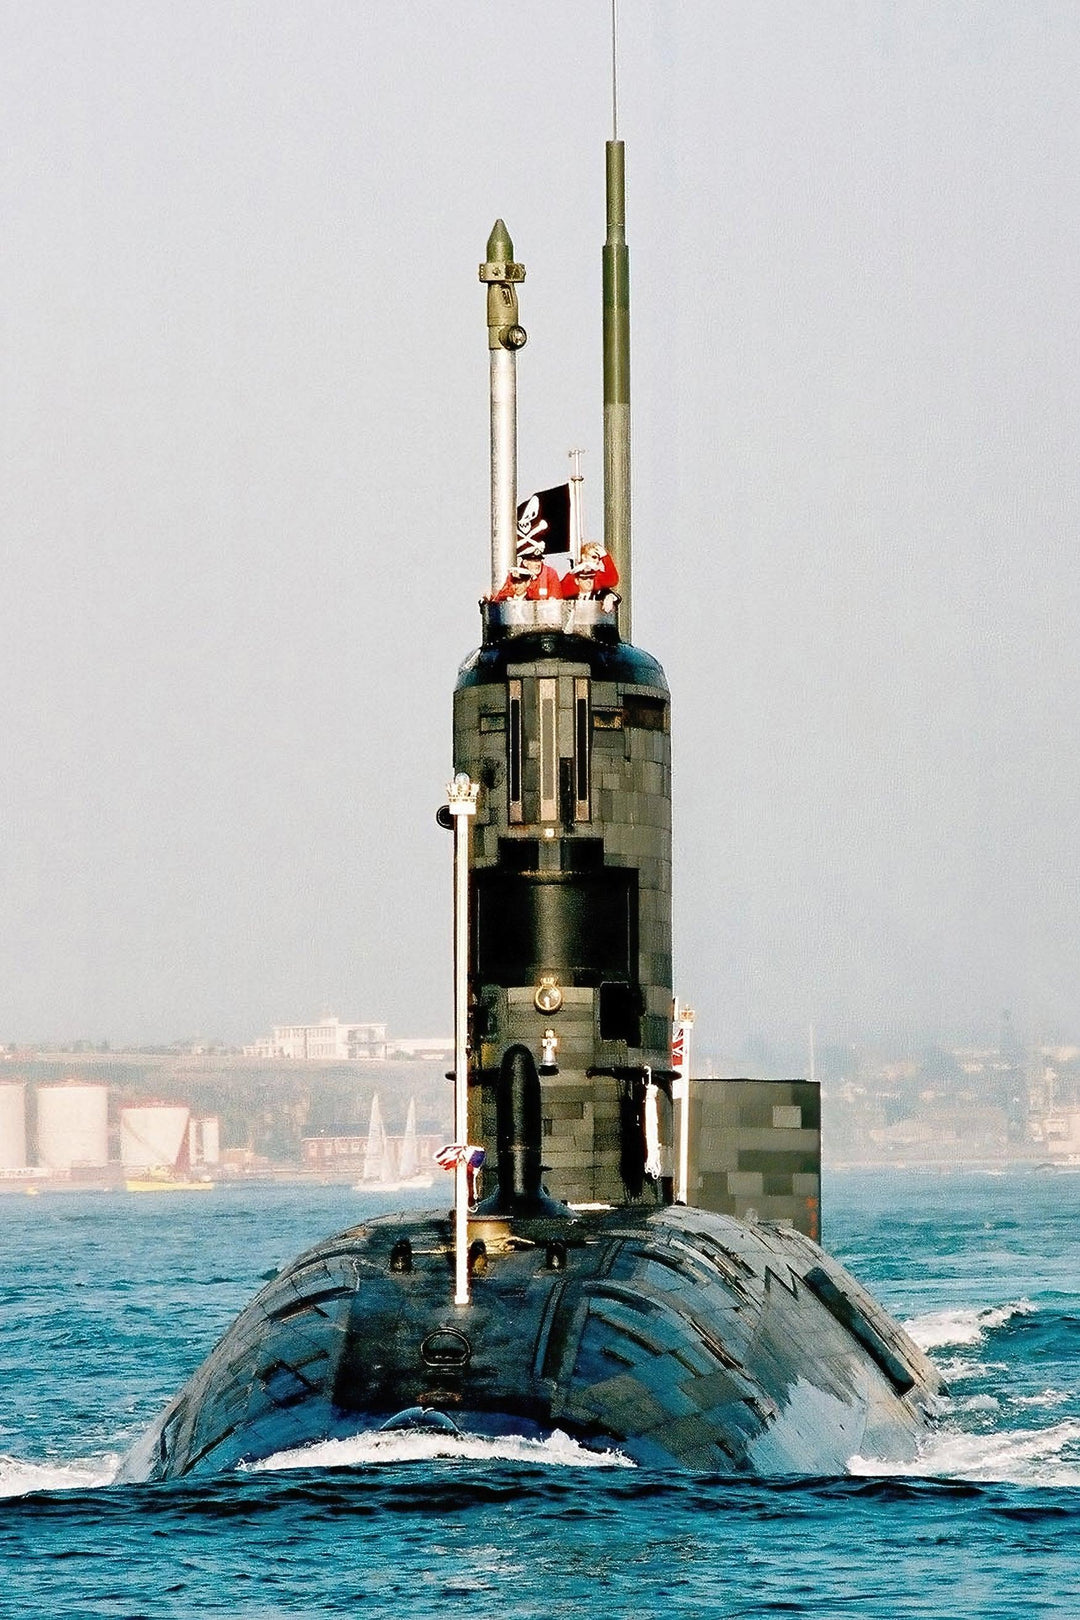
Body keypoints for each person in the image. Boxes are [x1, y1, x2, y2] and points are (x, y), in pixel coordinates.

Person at [491, 542, 564, 602]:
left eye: (539, 560)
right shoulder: (515, 574)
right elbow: (503, 595)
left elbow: (557, 600)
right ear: (525, 563)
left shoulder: (550, 573)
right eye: (534, 561)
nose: (538, 564)